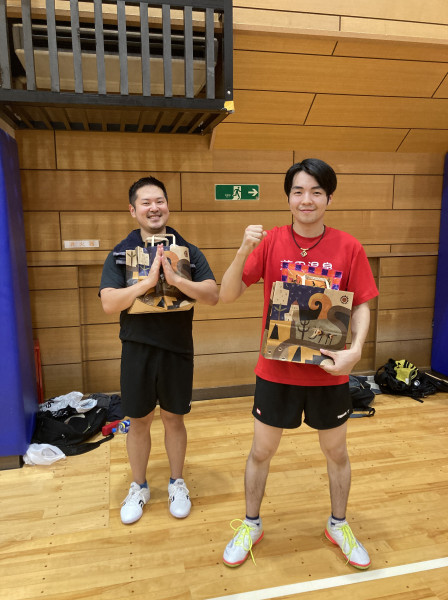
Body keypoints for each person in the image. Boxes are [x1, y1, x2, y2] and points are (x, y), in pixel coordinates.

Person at [220, 158, 378, 569]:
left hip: (328, 372)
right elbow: (228, 294)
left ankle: (338, 525)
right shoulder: (270, 241)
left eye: (316, 192)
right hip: (277, 372)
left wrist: (356, 350)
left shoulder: (349, 246)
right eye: (298, 191)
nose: (307, 200)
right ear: (288, 197)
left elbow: (361, 303)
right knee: (261, 450)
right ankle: (251, 524)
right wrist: (243, 250)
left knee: (336, 452)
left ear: (329, 198)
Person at [99, 176, 218, 525]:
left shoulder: (188, 251)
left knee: (173, 418)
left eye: (160, 201)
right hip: (137, 349)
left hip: (177, 349)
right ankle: (138, 486)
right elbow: (109, 303)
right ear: (133, 210)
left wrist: (177, 279)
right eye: (146, 203)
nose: (154, 208)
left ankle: (177, 483)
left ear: (167, 205)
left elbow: (212, 295)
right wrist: (147, 283)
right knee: (139, 421)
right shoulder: (121, 253)